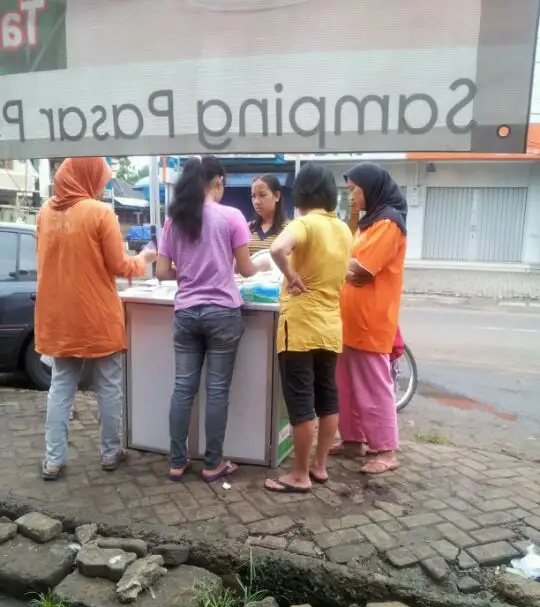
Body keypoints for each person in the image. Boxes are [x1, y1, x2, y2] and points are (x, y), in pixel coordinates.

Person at [36, 157, 156, 481]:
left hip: (58, 316)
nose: (103, 186)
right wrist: (143, 259)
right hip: (96, 315)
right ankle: (110, 452)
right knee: (109, 386)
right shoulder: (100, 212)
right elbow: (119, 265)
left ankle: (53, 460)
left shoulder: (45, 212)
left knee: (61, 388)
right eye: (101, 180)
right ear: (88, 177)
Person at [156, 156, 268, 483]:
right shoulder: (231, 216)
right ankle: (213, 464)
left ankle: (177, 463)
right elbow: (246, 269)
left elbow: (162, 271)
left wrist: (188, 273)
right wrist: (262, 264)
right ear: (217, 181)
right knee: (217, 391)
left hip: (186, 313)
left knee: (182, 388)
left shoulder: (174, 219)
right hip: (222, 313)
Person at [263, 162, 352, 494]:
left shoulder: (306, 223)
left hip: (299, 326)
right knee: (327, 397)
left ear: (301, 192)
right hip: (330, 325)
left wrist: (291, 275)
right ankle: (319, 466)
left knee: (300, 401)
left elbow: (275, 248)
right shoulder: (343, 229)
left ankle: (299, 475)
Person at [333, 162, 407, 474]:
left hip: (371, 320)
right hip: (348, 320)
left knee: (374, 386)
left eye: (354, 190)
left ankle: (386, 450)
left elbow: (362, 271)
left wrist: (331, 261)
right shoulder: (368, 222)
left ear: (371, 187)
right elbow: (351, 265)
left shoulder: (389, 223)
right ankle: (353, 441)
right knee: (345, 384)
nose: (350, 197)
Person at [249, 174, 288, 254]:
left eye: (262, 195)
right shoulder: (248, 228)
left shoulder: (289, 228)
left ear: (277, 195)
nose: (256, 201)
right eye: (253, 196)